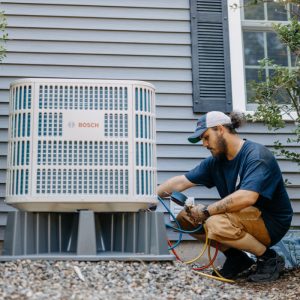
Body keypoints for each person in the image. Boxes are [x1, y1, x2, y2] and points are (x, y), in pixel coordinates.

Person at [157, 111, 293, 282]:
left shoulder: (256, 156)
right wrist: (149, 196)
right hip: (243, 218)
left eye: (206, 137)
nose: (204, 144)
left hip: (270, 222)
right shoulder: (217, 161)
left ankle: (269, 258)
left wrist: (206, 211)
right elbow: (181, 182)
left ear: (220, 129)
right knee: (185, 219)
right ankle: (237, 259)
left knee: (214, 222)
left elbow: (247, 197)